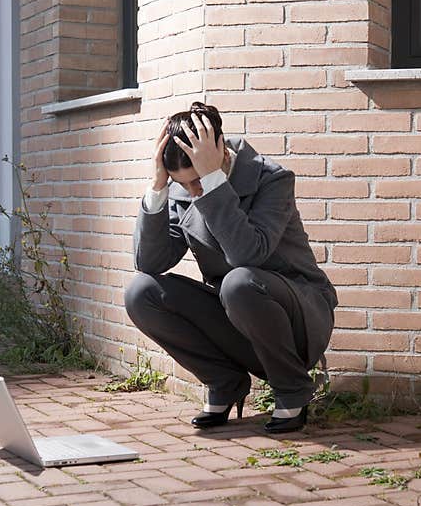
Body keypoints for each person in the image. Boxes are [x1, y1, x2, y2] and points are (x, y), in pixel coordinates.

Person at [123, 102, 338, 434]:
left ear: (220, 152)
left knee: (238, 282)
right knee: (141, 292)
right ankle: (224, 382)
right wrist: (157, 186)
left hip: (297, 317)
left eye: (196, 181)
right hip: (235, 314)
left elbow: (247, 254)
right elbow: (149, 262)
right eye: (183, 184)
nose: (191, 191)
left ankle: (292, 389)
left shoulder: (272, 179)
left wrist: (212, 182)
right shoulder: (183, 189)